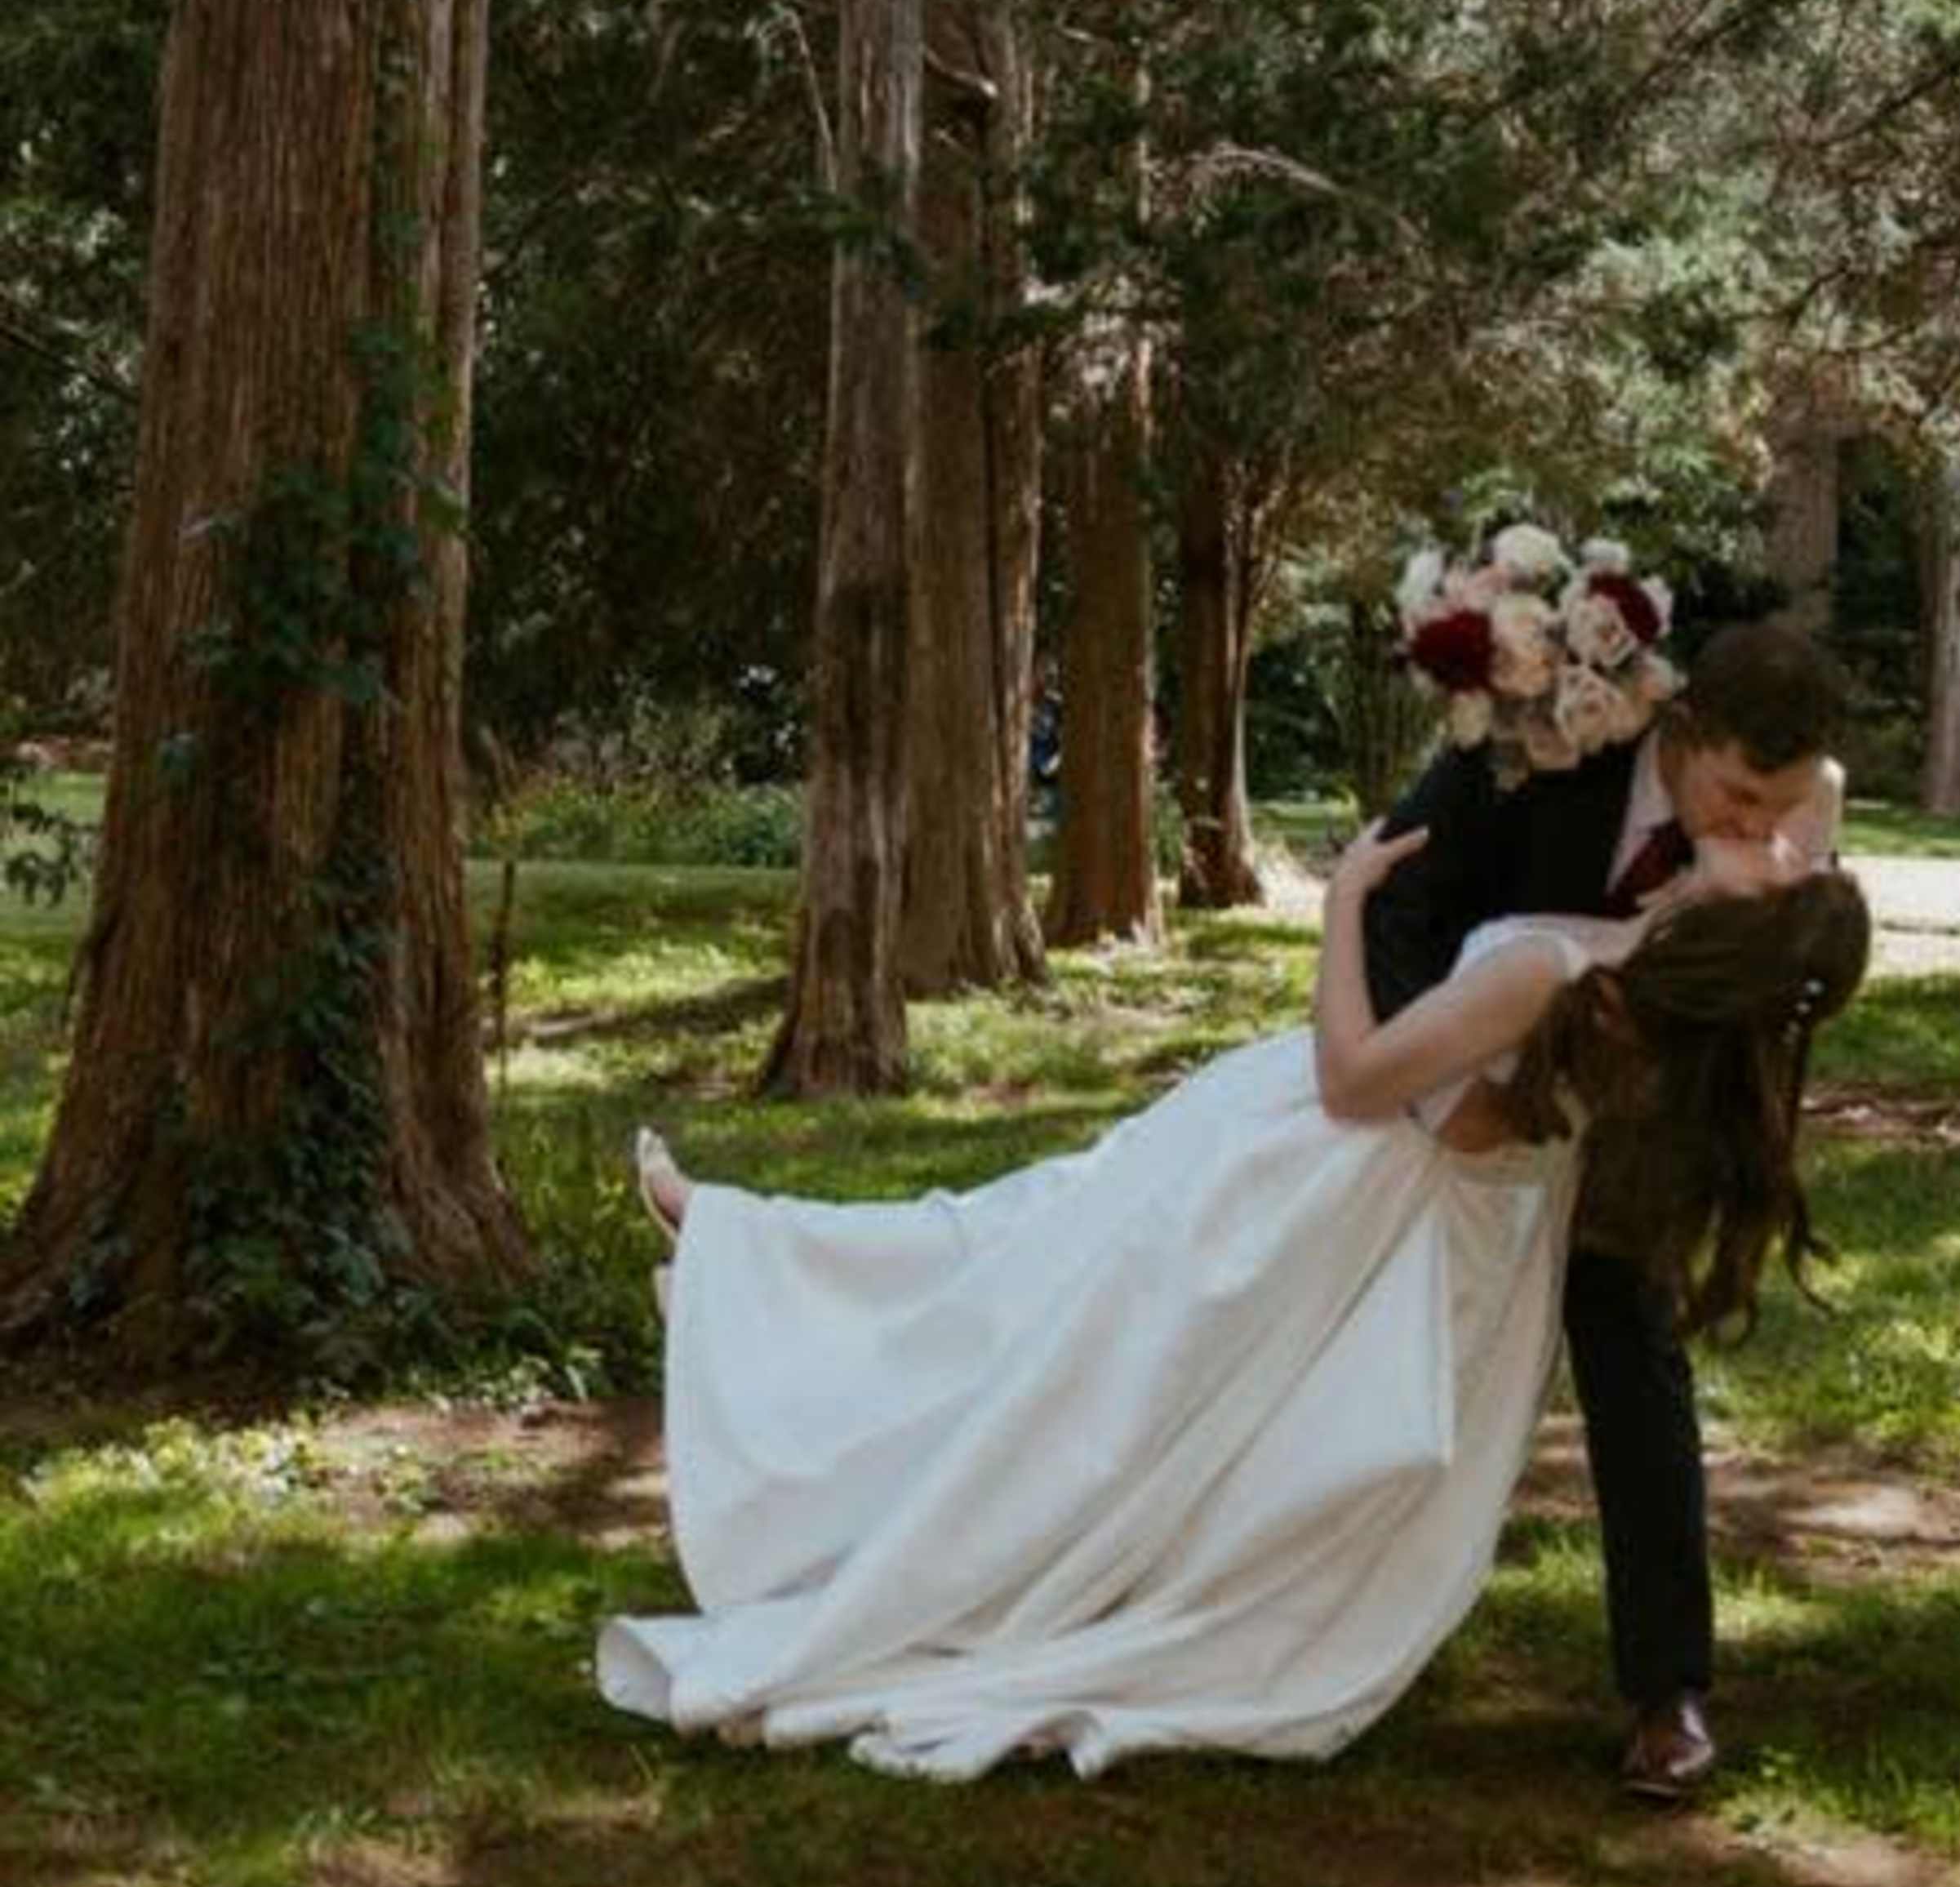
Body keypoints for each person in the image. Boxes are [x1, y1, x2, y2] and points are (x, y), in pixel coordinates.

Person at [597, 812, 1869, 1786]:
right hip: (1443, 1258)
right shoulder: (1688, 1043)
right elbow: (1488, 1127)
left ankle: (757, 1284)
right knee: (1063, 1301)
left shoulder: (1552, 974)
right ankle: (745, 1247)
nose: (1770, 838)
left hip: (1309, 1175)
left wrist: (1343, 905)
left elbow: (1358, 1080)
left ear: (1739, 933)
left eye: (1779, 862)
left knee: (1031, 1289)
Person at [1358, 610, 1847, 1803]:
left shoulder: (1802, 805)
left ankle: (1666, 1692)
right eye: (1734, 797)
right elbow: (1396, 904)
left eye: (1778, 809)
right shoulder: (1539, 749)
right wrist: (1442, 1098)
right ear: (1682, 733)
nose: (1754, 831)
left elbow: (1774, 980)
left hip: (1642, 1109)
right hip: (1471, 1080)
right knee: (1401, 1343)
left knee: (1631, 1338)